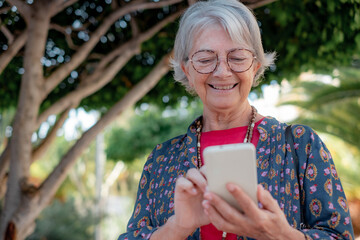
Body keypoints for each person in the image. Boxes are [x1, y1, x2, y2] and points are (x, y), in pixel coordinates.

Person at [118, 0, 355, 239]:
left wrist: (281, 235)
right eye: (205, 59)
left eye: (238, 57)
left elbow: (339, 235)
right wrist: (176, 228)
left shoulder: (300, 146)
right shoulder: (161, 160)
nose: (222, 71)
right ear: (187, 71)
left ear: (256, 65)